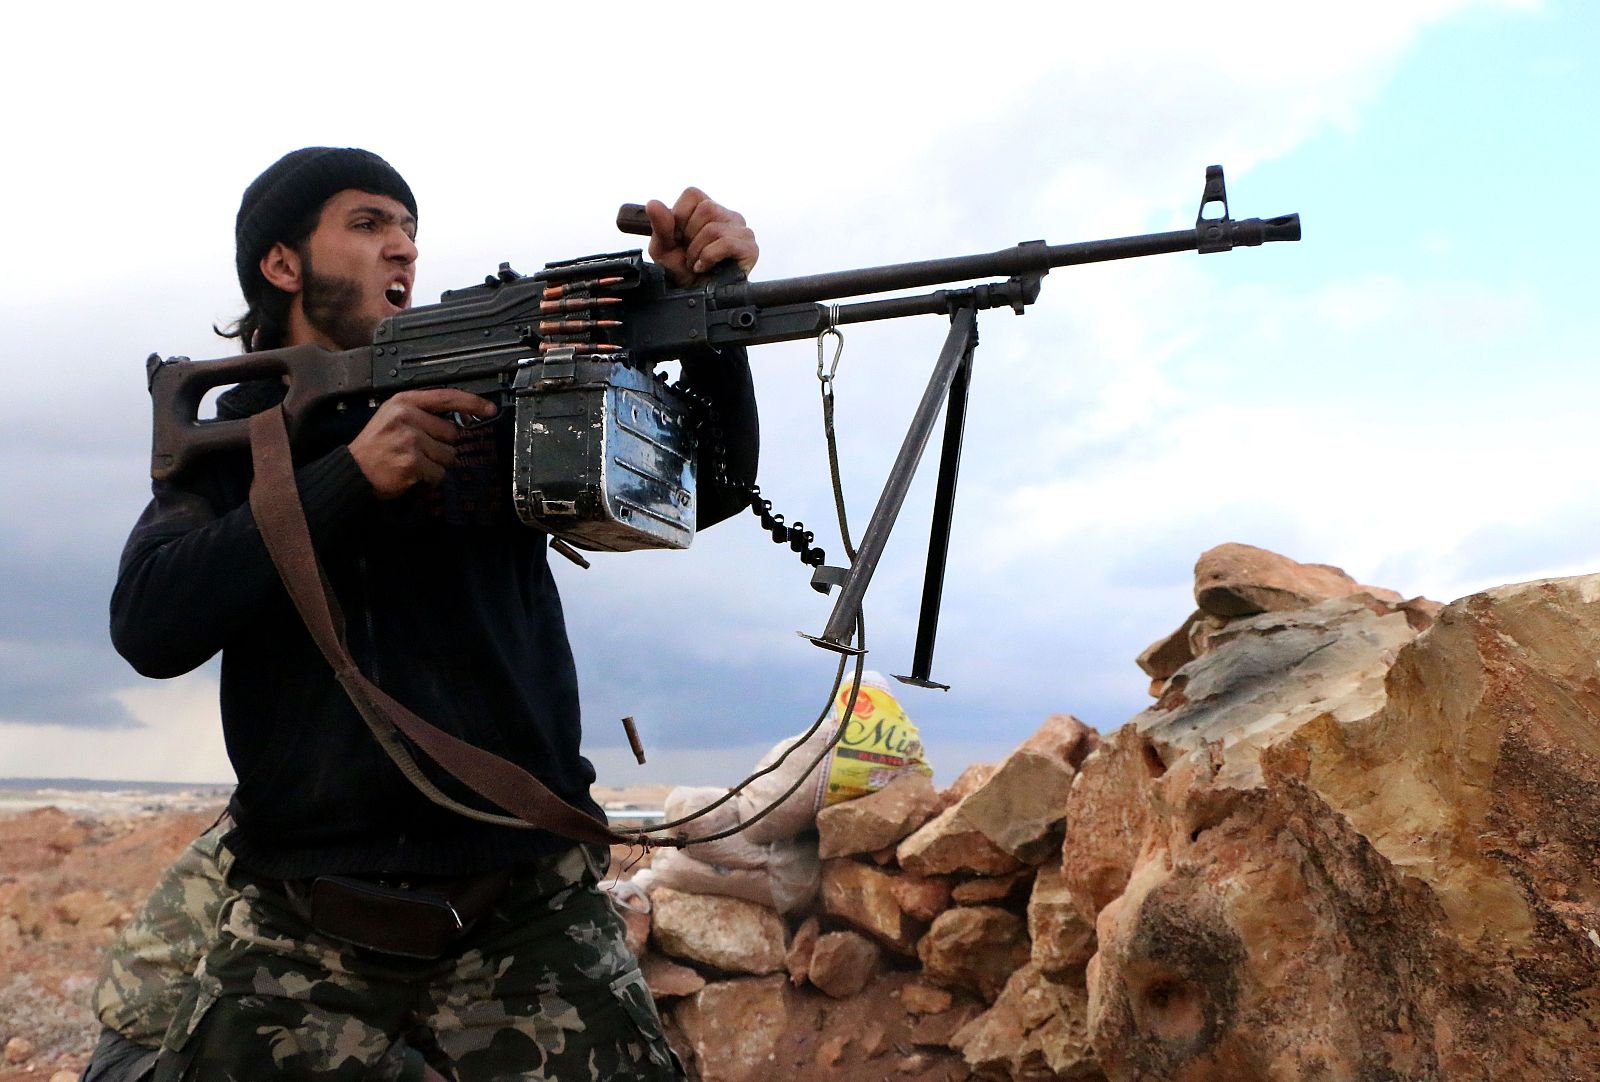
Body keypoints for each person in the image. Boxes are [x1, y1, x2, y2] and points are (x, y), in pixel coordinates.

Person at [99, 147, 759, 1080]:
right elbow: (150, 625)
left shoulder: (489, 406)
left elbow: (705, 487)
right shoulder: (239, 438)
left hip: (525, 905)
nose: (403, 247)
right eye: (368, 223)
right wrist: (348, 478)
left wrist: (710, 317)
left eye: (409, 229)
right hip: (307, 912)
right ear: (282, 264)